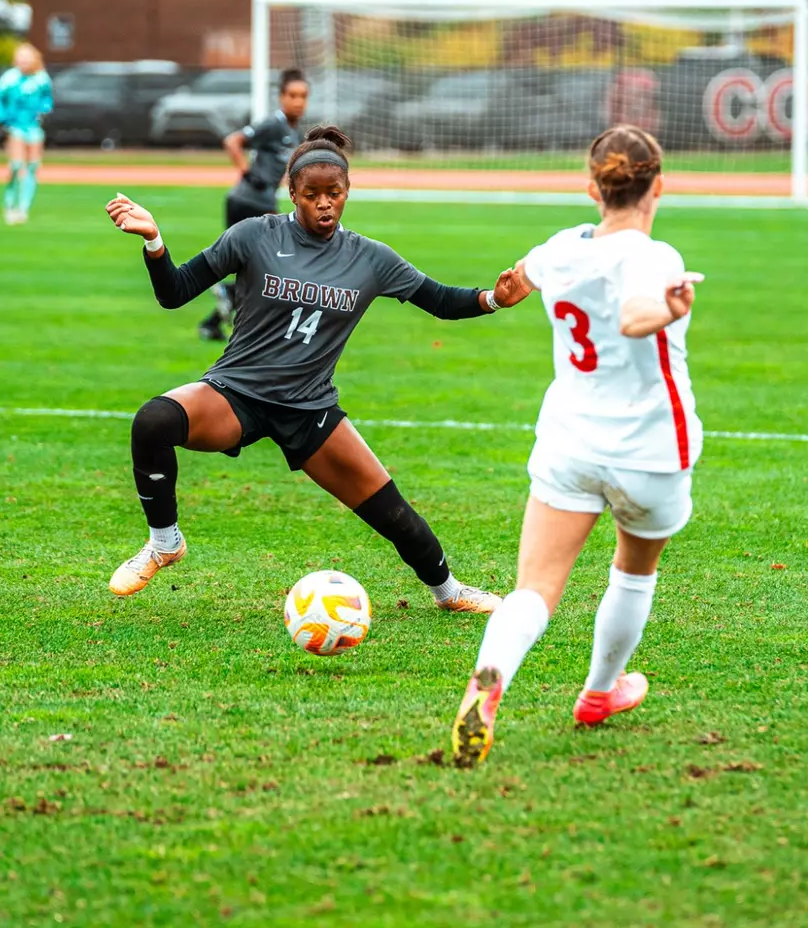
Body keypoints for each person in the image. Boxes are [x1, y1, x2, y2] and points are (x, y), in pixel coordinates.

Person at [104, 126, 532, 613]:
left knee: (393, 514)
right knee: (154, 421)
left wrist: (494, 299)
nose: (324, 204)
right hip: (237, 394)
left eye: (335, 194)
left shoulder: (371, 258)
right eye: (312, 195)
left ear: (348, 192)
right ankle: (164, 543)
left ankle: (450, 592)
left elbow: (439, 300)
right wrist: (155, 241)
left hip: (310, 410)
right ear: (292, 194)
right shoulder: (254, 235)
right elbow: (174, 292)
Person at [449, 125, 702, 768]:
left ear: (593, 187)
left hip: (569, 441)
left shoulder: (562, 248)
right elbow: (633, 316)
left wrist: (506, 290)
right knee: (632, 571)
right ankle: (597, 693)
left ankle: (488, 682)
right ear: (658, 186)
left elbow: (515, 283)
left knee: (533, 589)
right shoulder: (654, 257)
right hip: (647, 451)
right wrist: (668, 309)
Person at [199, 68, 311, 341]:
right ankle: (237, 305)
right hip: (246, 202)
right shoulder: (273, 124)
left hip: (262, 203)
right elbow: (233, 141)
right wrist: (247, 172)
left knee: (264, 267)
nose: (298, 101)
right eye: (292, 95)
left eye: (303, 96)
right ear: (281, 97)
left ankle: (214, 321)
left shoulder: (294, 132)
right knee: (273, 264)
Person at [0, 43, 53, 225]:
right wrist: (1, 119)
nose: (24, 61)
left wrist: (44, 110)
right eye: (20, 57)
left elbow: (47, 99)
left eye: (27, 57)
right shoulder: (8, 79)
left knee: (33, 166)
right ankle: (9, 205)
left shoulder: (41, 79)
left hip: (33, 127)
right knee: (16, 166)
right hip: (15, 126)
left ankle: (23, 208)